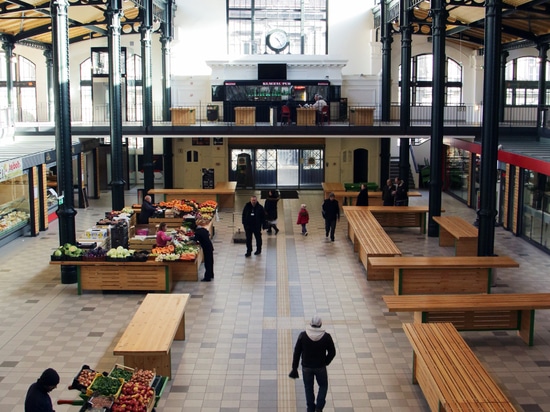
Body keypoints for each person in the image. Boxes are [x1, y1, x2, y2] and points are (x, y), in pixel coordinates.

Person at [289, 316, 336, 412]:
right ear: (320, 325)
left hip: (306, 367)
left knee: (308, 387)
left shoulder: (303, 336)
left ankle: (310, 408)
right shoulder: (326, 337)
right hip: (320, 367)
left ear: (310, 324)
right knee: (323, 386)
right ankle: (319, 407)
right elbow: (332, 352)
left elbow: (297, 352)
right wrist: (326, 361)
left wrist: (294, 368)